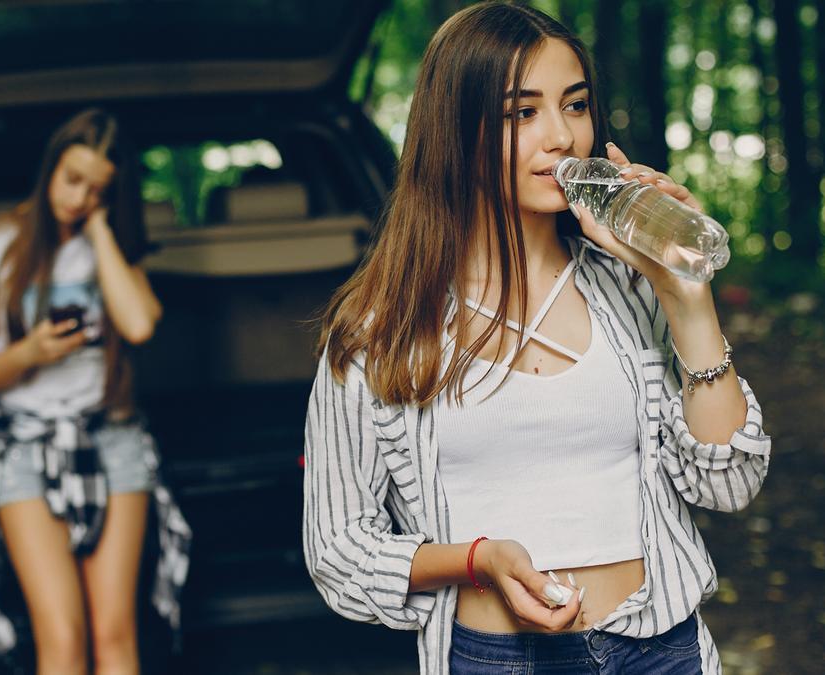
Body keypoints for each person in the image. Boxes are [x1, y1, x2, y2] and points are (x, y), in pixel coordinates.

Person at [302, 3, 770, 674]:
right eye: (522, 113)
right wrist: (475, 560)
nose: (561, 137)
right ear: (454, 132)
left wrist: (686, 301)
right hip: (498, 658)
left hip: (661, 649)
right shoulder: (382, 329)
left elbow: (729, 483)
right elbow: (337, 547)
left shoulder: (631, 290)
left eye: (575, 106)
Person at [0, 108, 189, 674]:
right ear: (49, 168)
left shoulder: (107, 247)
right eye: (71, 179)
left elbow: (139, 325)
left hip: (112, 440)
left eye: (96, 189)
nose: (78, 197)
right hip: (24, 448)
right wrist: (31, 353)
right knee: (61, 636)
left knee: (115, 634)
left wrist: (102, 231)